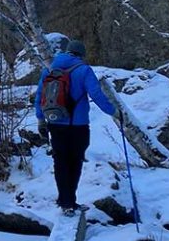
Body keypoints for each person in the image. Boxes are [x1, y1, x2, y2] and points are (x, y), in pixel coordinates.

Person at [34, 39, 116, 215]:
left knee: (60, 162)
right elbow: (96, 93)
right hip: (78, 125)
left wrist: (40, 119)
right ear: (81, 54)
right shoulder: (84, 70)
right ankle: (69, 201)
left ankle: (66, 202)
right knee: (75, 162)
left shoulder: (49, 70)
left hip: (54, 123)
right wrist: (113, 111)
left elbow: (40, 95)